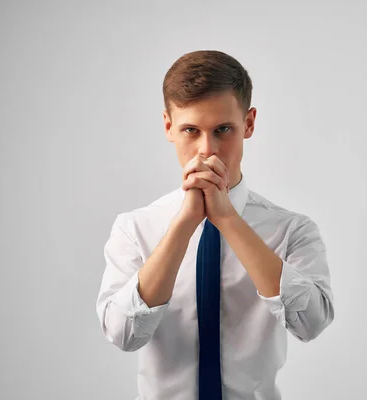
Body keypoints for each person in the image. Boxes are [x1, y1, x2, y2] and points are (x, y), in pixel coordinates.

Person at [95, 50, 335, 400]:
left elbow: (311, 323)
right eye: (190, 130)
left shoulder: (292, 230)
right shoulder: (135, 229)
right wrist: (184, 223)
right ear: (168, 127)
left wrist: (227, 219)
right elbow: (124, 335)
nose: (206, 150)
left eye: (223, 129)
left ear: (249, 124)